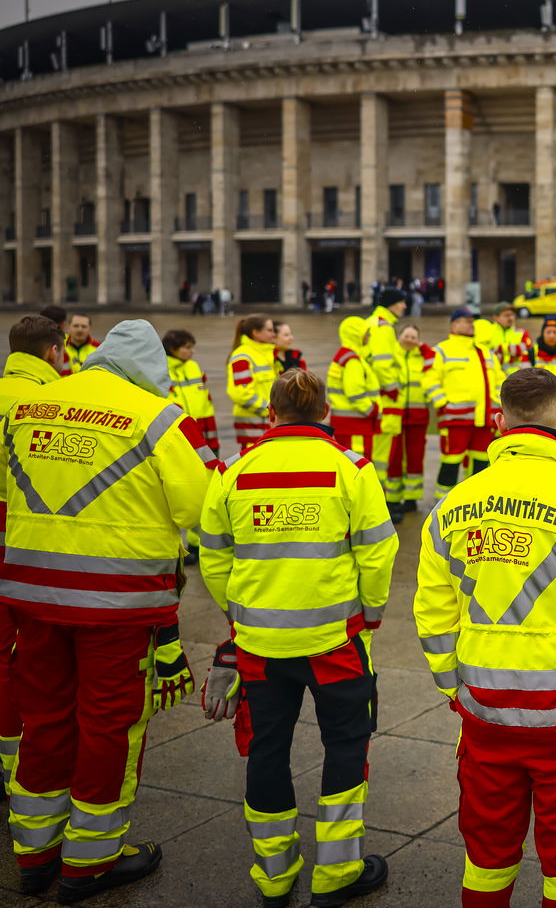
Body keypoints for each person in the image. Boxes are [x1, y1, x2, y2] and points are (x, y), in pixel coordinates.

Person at [1, 320, 216, 902]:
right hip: (116, 604)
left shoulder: (30, 406)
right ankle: (89, 863)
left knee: (42, 719)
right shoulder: (158, 416)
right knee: (109, 725)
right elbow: (200, 506)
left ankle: (34, 855)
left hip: (31, 595)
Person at [416, 367, 556, 907]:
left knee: (486, 851)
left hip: (483, 709)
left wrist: (455, 688)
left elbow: (432, 612)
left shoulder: (451, 505)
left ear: (498, 422)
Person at [197, 369, 395, 907]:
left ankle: (275, 874)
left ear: (271, 412)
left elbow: (213, 555)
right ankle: (337, 874)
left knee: (267, 749)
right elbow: (379, 553)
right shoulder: (351, 468)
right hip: (336, 640)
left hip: (260, 643)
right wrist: (369, 615)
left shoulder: (234, 470)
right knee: (347, 745)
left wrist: (240, 613)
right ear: (326, 413)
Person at [0, 315, 67, 798]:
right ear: (52, 352)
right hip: (22, 542)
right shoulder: (49, 402)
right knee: (21, 658)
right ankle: (16, 768)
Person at [434, 308, 505, 497]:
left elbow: (500, 380)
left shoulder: (485, 352)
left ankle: (475, 500)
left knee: (481, 462)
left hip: (484, 419)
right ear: (454, 324)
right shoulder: (442, 350)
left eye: (472, 321)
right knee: (451, 461)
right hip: (455, 419)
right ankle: (442, 504)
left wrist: (497, 404)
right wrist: (443, 404)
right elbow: (430, 379)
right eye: (466, 320)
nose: (470, 324)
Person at [365, 288, 408, 519]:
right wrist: (392, 388)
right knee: (381, 458)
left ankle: (379, 505)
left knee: (380, 456)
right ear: (392, 303)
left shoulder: (378, 323)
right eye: (402, 302)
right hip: (386, 400)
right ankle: (379, 508)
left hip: (382, 398)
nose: (404, 307)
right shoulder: (383, 327)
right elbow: (382, 364)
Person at [394, 324, 439, 512]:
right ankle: (394, 497)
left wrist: (424, 348)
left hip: (418, 415)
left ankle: (411, 499)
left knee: (415, 457)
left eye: (414, 337)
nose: (409, 340)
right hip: (396, 415)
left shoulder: (424, 357)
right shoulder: (392, 355)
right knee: (395, 457)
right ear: (399, 337)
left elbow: (435, 359)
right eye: (406, 336)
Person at [328, 316, 380, 455]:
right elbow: (355, 393)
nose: (369, 336)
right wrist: (372, 410)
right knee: (358, 466)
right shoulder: (352, 361)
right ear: (357, 335)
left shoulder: (343, 356)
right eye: (366, 332)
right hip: (356, 424)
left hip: (346, 424)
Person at [228, 314, 280, 453]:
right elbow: (242, 394)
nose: (273, 334)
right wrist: (270, 410)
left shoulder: (264, 354)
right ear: (255, 333)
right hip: (253, 427)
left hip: (267, 424)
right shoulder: (242, 356)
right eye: (269, 330)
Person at [164, 328, 220, 457]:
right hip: (177, 430)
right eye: (187, 347)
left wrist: (211, 436)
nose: (192, 351)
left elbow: (205, 401)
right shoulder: (161, 370)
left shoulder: (194, 366)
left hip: (202, 427)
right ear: (173, 348)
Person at [487, 302, 532, 375]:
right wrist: (513, 350)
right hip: (493, 374)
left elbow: (527, 350)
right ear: (496, 318)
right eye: (506, 315)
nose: (511, 318)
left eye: (512, 315)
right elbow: (485, 353)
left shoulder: (521, 332)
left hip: (516, 376)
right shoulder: (488, 331)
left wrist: (500, 348)